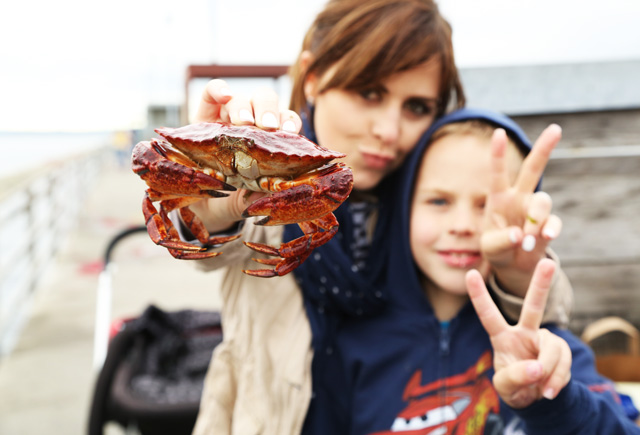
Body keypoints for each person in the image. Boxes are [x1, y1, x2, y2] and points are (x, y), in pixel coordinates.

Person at [157, 1, 570, 433]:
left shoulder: (427, 199)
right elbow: (207, 248)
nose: (388, 131)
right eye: (369, 93)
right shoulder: (262, 168)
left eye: (416, 107)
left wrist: (516, 267)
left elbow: (553, 308)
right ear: (312, 78)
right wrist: (208, 197)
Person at [322, 107, 639, 434]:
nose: (462, 226)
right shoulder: (351, 348)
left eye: (486, 205)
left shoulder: (545, 350)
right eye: (439, 201)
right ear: (402, 209)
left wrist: (553, 403)